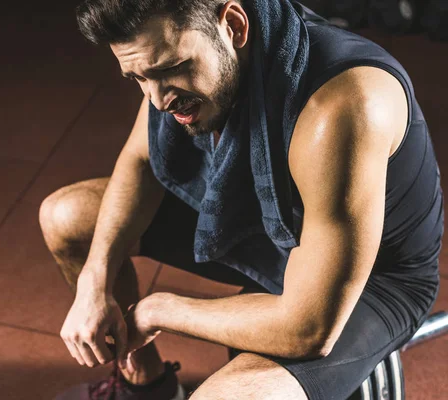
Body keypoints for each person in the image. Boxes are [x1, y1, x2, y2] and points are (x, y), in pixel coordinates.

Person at [40, 0, 444, 399]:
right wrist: (95, 279)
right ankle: (147, 388)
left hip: (373, 281)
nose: (158, 100)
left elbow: (308, 328)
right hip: (265, 226)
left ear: (233, 24)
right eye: (138, 79)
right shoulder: (171, 62)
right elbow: (140, 161)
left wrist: (157, 309)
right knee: (66, 217)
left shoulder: (342, 105)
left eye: (169, 70)